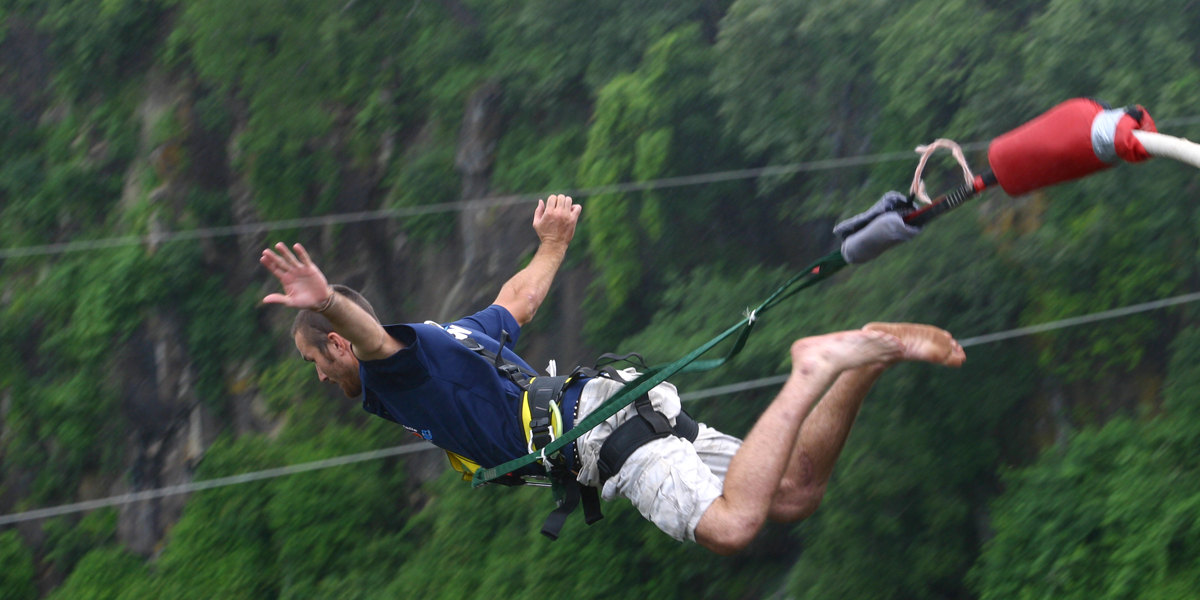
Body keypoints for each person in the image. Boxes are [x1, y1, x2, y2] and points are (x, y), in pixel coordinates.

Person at [260, 194, 966, 555]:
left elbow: (374, 341)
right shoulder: (455, 337)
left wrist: (322, 301)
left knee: (731, 526)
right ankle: (863, 358)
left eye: (315, 361)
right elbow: (519, 302)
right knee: (797, 492)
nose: (319, 378)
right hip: (622, 407)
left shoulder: (396, 370)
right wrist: (554, 244)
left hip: (604, 440)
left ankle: (813, 367)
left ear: (340, 348)